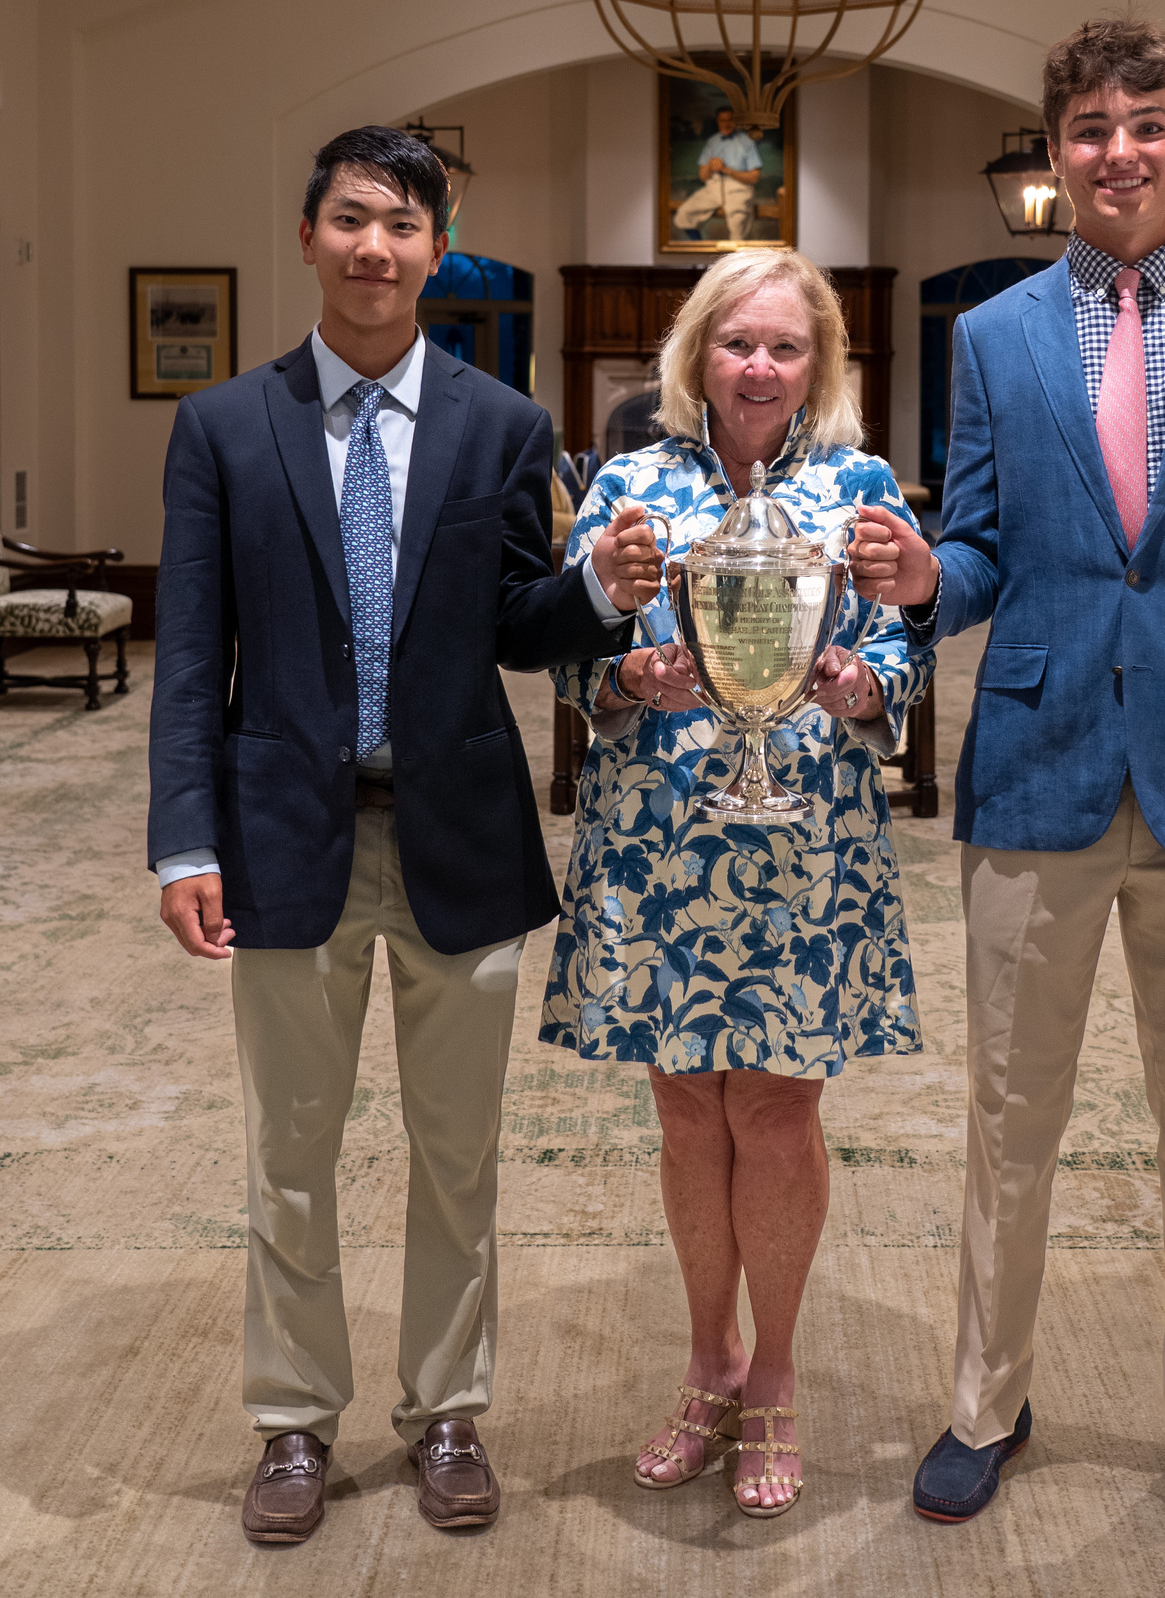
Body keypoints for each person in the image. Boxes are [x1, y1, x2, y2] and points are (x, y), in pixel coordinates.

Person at [852, 16, 1165, 1558]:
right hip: (1038, 764)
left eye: (1144, 123)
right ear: (1053, 153)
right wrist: (935, 573)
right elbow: (986, 542)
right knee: (1012, 1112)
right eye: (1088, 128)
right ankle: (988, 1401)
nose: (1116, 150)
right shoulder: (992, 335)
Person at [148, 124, 661, 1548]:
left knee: (458, 1150)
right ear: (308, 234)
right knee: (289, 1153)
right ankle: (293, 1422)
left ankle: (448, 1410)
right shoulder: (224, 429)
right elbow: (192, 652)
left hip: (459, 840)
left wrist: (600, 594)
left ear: (438, 248)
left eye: (406, 222)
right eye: (353, 218)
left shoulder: (500, 426)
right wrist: (184, 841)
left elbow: (513, 624)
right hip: (281, 841)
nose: (378, 245)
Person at [540, 248, 932, 1519]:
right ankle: (705, 1361)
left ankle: (773, 1374)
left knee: (771, 1113)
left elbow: (901, 652)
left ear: (820, 362)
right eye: (736, 342)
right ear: (695, 353)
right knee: (685, 1112)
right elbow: (568, 658)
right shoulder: (629, 484)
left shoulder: (861, 489)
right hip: (659, 838)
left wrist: (867, 688)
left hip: (805, 843)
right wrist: (617, 679)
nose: (758, 367)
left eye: (784, 346)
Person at [671, 103, 762, 240]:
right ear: (718, 122)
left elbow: (754, 177)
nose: (726, 124)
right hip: (714, 186)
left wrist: (727, 170)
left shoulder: (746, 141)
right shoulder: (712, 142)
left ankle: (736, 260)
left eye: (729, 120)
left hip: (739, 188)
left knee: (739, 229)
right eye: (722, 120)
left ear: (735, 121)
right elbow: (703, 176)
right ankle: (699, 251)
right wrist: (710, 166)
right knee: (684, 214)